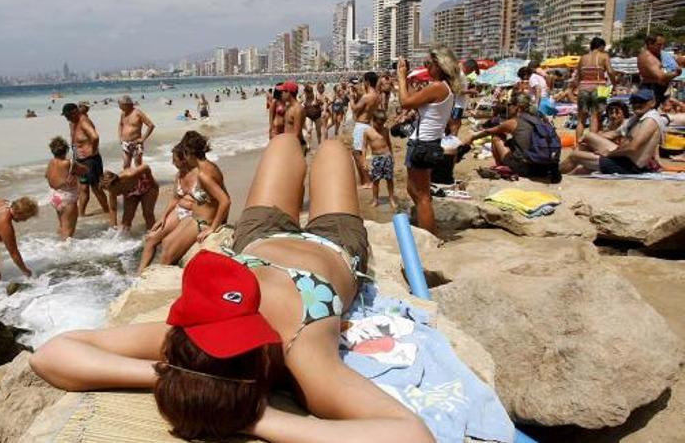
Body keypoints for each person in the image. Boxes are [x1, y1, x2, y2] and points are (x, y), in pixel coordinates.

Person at [31, 134, 434, 443]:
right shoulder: (303, 354)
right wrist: (265, 420)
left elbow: (50, 355)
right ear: (260, 374)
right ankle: (325, 146)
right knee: (331, 148)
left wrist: (176, 379)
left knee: (283, 142)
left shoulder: (183, 344)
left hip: (257, 240)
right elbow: (411, 435)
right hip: (332, 244)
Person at [397, 47, 461, 236]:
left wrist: (400, 77)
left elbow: (405, 103)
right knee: (413, 189)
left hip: (423, 144)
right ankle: (427, 227)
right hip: (427, 142)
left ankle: (430, 236)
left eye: (428, 64)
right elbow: (413, 100)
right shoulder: (444, 87)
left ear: (440, 66)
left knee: (423, 196)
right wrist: (407, 78)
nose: (426, 67)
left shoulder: (437, 87)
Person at [139, 142, 230, 271]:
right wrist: (163, 217)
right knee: (151, 238)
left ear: (184, 160)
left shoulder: (201, 175)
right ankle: (139, 276)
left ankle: (165, 272)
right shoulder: (179, 175)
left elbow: (221, 199)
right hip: (180, 211)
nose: (172, 163)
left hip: (192, 215)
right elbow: (175, 198)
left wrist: (217, 224)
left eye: (174, 160)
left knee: (168, 244)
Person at [560, 89, 667, 175]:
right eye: (634, 101)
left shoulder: (650, 121)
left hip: (629, 166)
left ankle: (553, 174)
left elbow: (633, 147)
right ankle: (579, 169)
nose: (637, 104)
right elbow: (614, 134)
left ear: (652, 103)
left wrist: (609, 154)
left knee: (575, 156)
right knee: (588, 137)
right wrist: (587, 139)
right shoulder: (638, 118)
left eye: (641, 101)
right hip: (624, 157)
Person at [461, 91, 560, 179]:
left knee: (497, 137)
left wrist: (472, 137)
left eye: (509, 105)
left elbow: (489, 131)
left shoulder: (514, 122)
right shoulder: (540, 118)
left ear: (516, 107)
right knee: (513, 143)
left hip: (526, 168)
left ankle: (501, 166)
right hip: (545, 168)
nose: (507, 107)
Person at [62, 103, 110, 218]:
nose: (66, 118)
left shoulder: (83, 122)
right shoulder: (72, 122)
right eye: (65, 116)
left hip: (90, 160)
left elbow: (95, 137)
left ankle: (107, 210)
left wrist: (92, 150)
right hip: (79, 160)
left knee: (96, 187)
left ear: (74, 113)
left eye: (68, 116)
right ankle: (81, 215)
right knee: (83, 188)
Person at [575, 37, 617, 139]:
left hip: (583, 87)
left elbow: (578, 76)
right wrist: (614, 85)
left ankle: (577, 145)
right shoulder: (604, 56)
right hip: (601, 87)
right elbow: (610, 72)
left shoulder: (583, 57)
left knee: (581, 119)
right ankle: (592, 144)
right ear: (601, 46)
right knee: (595, 117)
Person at [46, 136, 87, 239]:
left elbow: (47, 176)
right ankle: (64, 250)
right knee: (69, 232)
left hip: (54, 197)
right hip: (67, 199)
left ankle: (57, 245)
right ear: (66, 149)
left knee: (62, 226)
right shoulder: (69, 163)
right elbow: (85, 170)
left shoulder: (51, 162)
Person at [100, 164, 159, 232]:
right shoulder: (111, 190)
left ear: (116, 184)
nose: (112, 192)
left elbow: (146, 167)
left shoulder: (129, 175)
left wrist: (152, 181)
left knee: (147, 214)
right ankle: (125, 239)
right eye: (109, 190)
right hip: (131, 194)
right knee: (126, 219)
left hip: (148, 188)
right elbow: (113, 208)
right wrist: (113, 227)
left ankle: (152, 233)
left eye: (113, 190)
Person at [350, 72, 382, 188]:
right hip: (368, 124)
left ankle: (367, 181)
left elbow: (355, 109)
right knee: (358, 153)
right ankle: (364, 180)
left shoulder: (367, 96)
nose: (363, 83)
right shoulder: (376, 95)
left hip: (361, 125)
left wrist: (351, 98)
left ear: (367, 82)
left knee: (358, 154)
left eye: (364, 81)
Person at [638, 34, 682, 106]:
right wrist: (676, 73)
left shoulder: (657, 55)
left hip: (656, 90)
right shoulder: (648, 57)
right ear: (650, 44)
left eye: (663, 45)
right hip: (651, 90)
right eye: (659, 45)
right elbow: (661, 77)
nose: (661, 47)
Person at [363, 115, 394, 207]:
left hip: (387, 156)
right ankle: (375, 200)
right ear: (373, 120)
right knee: (375, 180)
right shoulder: (367, 131)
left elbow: (389, 143)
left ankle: (391, 199)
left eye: (382, 124)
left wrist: (392, 156)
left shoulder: (385, 130)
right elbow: (364, 147)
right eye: (379, 124)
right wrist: (364, 160)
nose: (381, 126)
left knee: (389, 179)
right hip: (376, 158)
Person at [118, 95, 155, 169]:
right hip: (125, 143)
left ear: (126, 104)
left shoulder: (138, 113)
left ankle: (140, 180)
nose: (120, 107)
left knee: (138, 165)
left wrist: (143, 139)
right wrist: (120, 137)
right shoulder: (123, 113)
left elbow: (151, 125)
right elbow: (121, 124)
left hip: (136, 143)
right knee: (125, 165)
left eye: (121, 105)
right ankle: (129, 180)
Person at [449, 59, 480, 136]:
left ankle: (453, 141)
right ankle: (452, 142)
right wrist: (470, 91)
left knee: (457, 124)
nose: (471, 72)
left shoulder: (462, 75)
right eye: (472, 70)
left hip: (459, 105)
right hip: (457, 105)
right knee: (455, 126)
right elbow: (456, 90)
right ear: (469, 67)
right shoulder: (460, 75)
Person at [276, 82, 306, 153]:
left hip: (295, 145)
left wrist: (289, 148)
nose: (281, 94)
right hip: (288, 143)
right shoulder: (288, 107)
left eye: (283, 92)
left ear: (288, 92)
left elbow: (297, 133)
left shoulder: (297, 109)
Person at [302, 83, 323, 147]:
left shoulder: (316, 96)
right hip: (308, 116)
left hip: (317, 116)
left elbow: (323, 102)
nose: (308, 95)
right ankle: (308, 145)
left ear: (311, 92)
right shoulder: (304, 97)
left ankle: (319, 144)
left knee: (318, 131)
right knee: (309, 130)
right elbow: (299, 103)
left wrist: (319, 104)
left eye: (310, 93)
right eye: (307, 93)